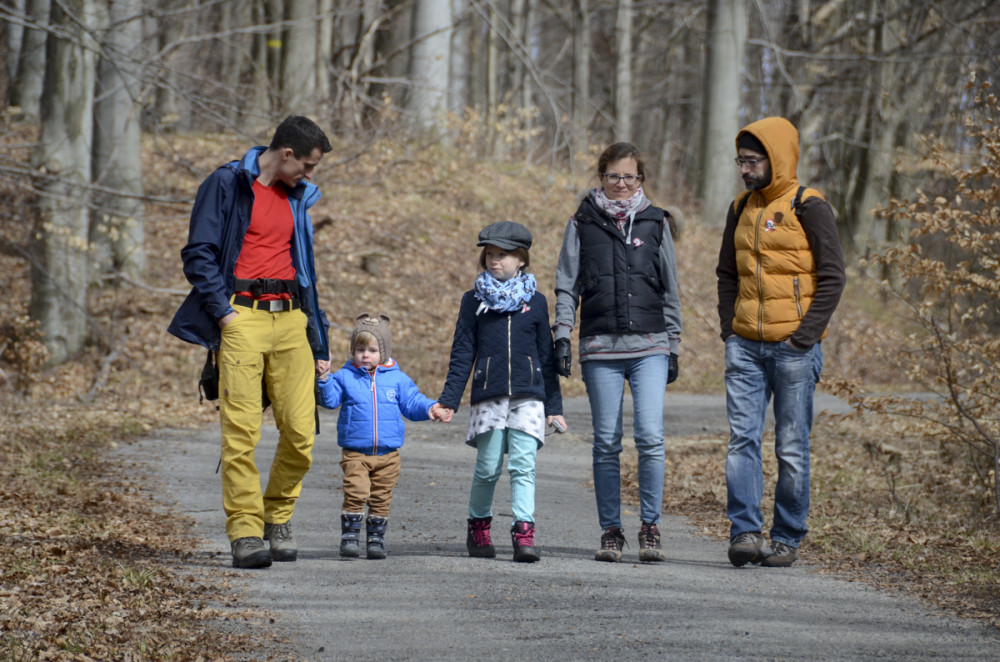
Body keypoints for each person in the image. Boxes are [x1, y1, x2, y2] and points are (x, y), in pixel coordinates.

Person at [168, 115, 333, 569]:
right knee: (241, 434)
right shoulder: (227, 184)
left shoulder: (296, 196)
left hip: (292, 319)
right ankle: (244, 531)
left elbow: (307, 273)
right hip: (241, 318)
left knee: (301, 433)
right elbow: (198, 252)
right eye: (307, 165)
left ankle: (275, 518)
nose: (310, 175)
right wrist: (224, 313)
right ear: (285, 154)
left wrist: (319, 338)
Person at [716, 117, 846, 568]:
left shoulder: (810, 206)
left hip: (794, 349)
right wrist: (729, 331)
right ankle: (746, 533)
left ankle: (787, 536)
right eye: (741, 161)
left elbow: (833, 278)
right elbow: (727, 274)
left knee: (791, 446)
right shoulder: (740, 208)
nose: (745, 169)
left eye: (753, 161)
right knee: (742, 442)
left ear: (778, 159)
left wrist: (803, 339)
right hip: (745, 346)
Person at [553, 142, 682, 563]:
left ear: (640, 179)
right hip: (599, 346)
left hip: (650, 345)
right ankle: (611, 531)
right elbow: (566, 283)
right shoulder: (582, 221)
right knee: (606, 442)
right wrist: (561, 334)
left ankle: (650, 527)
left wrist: (674, 344)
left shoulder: (656, 221)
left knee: (650, 437)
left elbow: (671, 288)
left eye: (630, 177)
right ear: (601, 177)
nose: (622, 184)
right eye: (613, 176)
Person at [438, 221, 567, 563]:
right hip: (489, 395)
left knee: (523, 466)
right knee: (488, 468)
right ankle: (478, 528)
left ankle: (524, 532)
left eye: (503, 255)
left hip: (529, 395)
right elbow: (463, 352)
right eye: (490, 254)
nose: (495, 261)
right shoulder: (473, 301)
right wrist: (449, 400)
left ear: (521, 259)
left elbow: (546, 355)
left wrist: (555, 405)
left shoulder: (537, 302)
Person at [316, 313, 447, 559]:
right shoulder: (344, 377)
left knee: (381, 496)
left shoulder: (397, 379)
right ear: (352, 350)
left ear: (384, 352)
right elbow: (330, 400)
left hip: (388, 454)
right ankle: (350, 537)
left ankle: (376, 540)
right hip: (356, 451)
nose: (366, 354)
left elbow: (412, 402)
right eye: (360, 349)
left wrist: (431, 408)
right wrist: (324, 377)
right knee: (355, 492)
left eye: (373, 350)